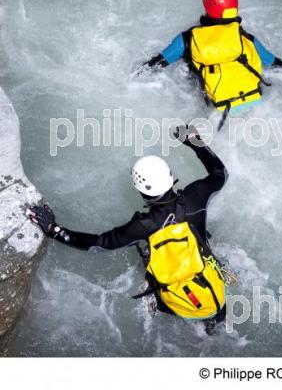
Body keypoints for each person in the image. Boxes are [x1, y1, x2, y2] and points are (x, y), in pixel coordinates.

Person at [28, 126, 229, 333]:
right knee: (214, 326)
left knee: (160, 286)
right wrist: (194, 140)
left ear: (140, 190)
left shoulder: (142, 226)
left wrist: (53, 229)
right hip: (215, 291)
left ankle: (159, 304)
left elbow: (97, 244)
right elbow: (220, 173)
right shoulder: (196, 195)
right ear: (170, 176)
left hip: (179, 304)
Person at [138, 0, 282, 129]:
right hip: (256, 106)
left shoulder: (187, 39)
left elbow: (156, 65)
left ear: (208, 10)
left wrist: (133, 76)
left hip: (218, 112)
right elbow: (277, 65)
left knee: (187, 70)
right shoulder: (247, 38)